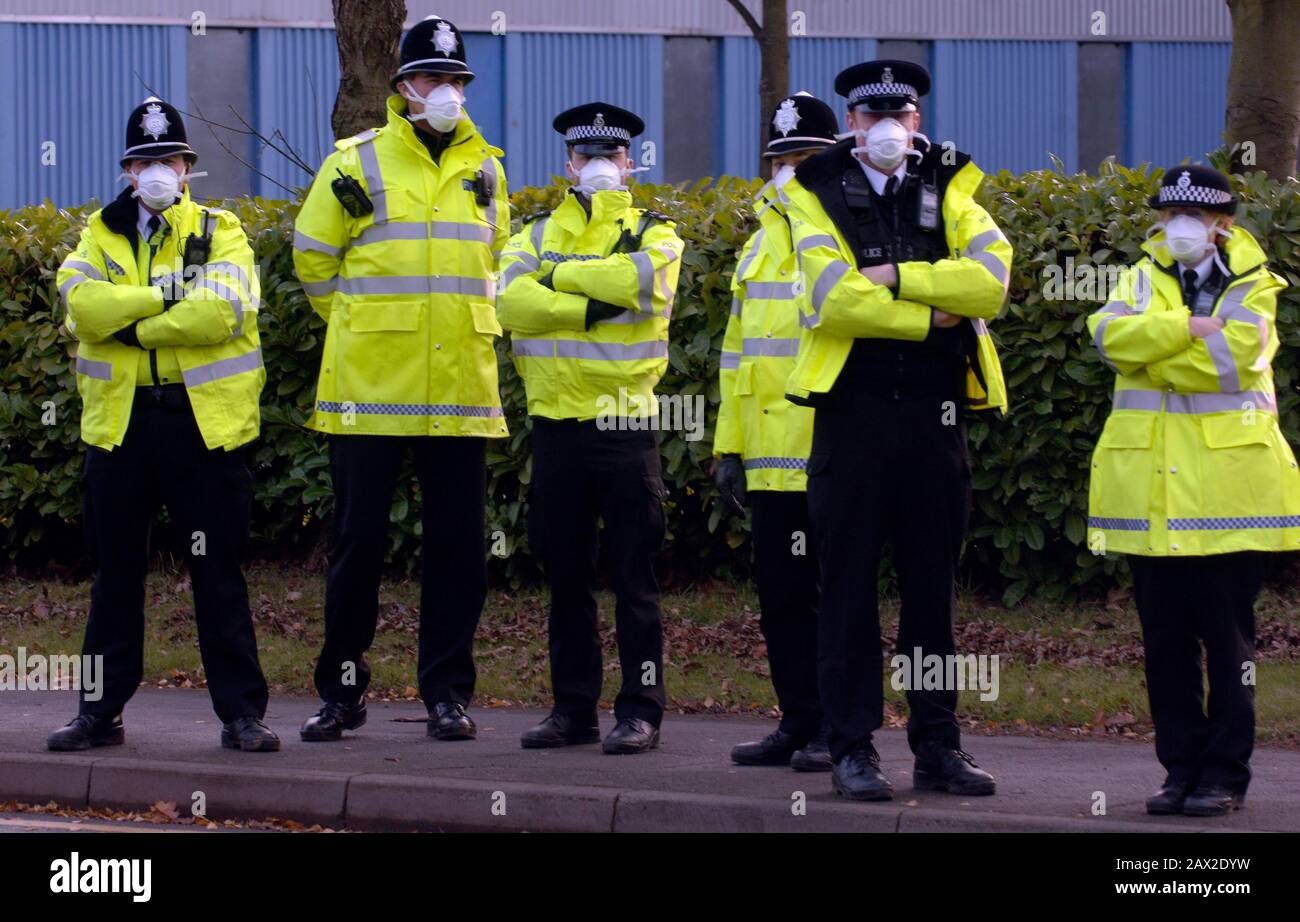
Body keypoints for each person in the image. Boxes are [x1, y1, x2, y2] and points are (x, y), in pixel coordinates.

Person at [781, 60, 1011, 801]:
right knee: (846, 590)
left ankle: (938, 746)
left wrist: (893, 278)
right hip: (852, 413)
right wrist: (931, 307)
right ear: (850, 123)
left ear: (917, 123)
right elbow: (830, 301)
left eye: (902, 116)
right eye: (871, 116)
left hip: (935, 415)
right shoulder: (812, 189)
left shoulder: (951, 183)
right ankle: (853, 749)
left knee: (930, 592)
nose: (887, 129)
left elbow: (990, 283)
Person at [292, 15, 510, 743]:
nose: (446, 91)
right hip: (369, 392)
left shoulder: (488, 168)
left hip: (459, 392)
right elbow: (313, 261)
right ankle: (343, 694)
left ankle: (446, 694)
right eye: (433, 79)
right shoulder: (353, 163)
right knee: (358, 551)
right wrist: (362, 326)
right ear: (402, 88)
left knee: (457, 553)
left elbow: (496, 265)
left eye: (456, 80)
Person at [50, 96, 274, 752]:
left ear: (187, 167)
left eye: (167, 159)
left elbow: (221, 314)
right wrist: (170, 295)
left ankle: (241, 716)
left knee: (219, 574)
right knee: (115, 574)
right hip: (121, 429)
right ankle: (99, 714)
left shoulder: (220, 231)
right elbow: (83, 308)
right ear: (127, 169)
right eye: (144, 159)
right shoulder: (99, 233)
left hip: (202, 428)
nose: (157, 170)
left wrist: (133, 325)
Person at [1087, 164, 1298, 817]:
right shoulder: (1138, 275)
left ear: (1223, 224)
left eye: (1196, 217)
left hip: (1228, 499)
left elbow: (1234, 359)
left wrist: (1156, 343)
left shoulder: (1254, 284)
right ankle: (1180, 770)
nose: (1180, 227)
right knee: (1165, 647)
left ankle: (1224, 775)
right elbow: (1106, 336)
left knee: (1230, 646)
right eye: (1170, 214)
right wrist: (1186, 330)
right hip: (1153, 498)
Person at [496, 102, 684, 754]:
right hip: (556, 428)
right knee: (567, 580)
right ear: (568, 165)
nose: (599, 167)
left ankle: (642, 712)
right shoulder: (531, 233)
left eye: (611, 156)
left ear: (630, 163)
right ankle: (573, 710)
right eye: (587, 157)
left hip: (624, 427)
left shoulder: (656, 234)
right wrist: (592, 304)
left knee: (635, 581)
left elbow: (639, 284)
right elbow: (510, 303)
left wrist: (555, 282)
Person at [717, 92, 837, 773]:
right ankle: (798, 720)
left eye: (803, 159)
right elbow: (737, 356)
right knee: (782, 603)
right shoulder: (761, 242)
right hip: (768, 461)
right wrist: (728, 448)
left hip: (827, 455)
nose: (789, 171)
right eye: (781, 159)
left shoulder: (846, 235)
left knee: (835, 604)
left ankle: (840, 728)